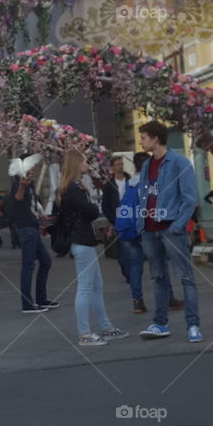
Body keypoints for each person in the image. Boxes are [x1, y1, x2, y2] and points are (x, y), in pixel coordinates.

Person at [137, 121, 202, 343]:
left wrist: (176, 226)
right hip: (149, 229)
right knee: (157, 277)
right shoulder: (146, 165)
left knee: (185, 277)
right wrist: (141, 222)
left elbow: (190, 199)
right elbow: (143, 196)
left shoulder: (179, 163)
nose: (141, 141)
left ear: (155, 138)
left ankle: (193, 325)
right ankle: (160, 323)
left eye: (144, 137)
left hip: (170, 228)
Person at [56, 149, 128, 348]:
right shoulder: (73, 189)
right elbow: (91, 211)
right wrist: (92, 206)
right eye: (85, 161)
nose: (87, 164)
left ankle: (106, 327)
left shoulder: (71, 187)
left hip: (83, 241)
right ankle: (85, 333)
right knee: (86, 287)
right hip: (81, 241)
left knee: (96, 285)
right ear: (76, 164)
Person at [9, 165, 58, 314]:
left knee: (46, 261)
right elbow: (18, 198)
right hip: (26, 230)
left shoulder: (29, 185)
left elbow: (27, 206)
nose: (32, 172)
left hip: (32, 227)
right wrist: (23, 185)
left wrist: (39, 216)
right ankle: (27, 304)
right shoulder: (19, 184)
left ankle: (41, 298)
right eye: (29, 168)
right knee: (28, 266)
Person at [102, 154, 146, 314]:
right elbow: (106, 205)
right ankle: (168, 298)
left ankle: (137, 300)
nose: (120, 166)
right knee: (128, 256)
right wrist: (115, 221)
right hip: (132, 224)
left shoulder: (130, 180)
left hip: (129, 223)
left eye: (122, 163)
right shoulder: (109, 185)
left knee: (134, 262)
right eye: (118, 164)